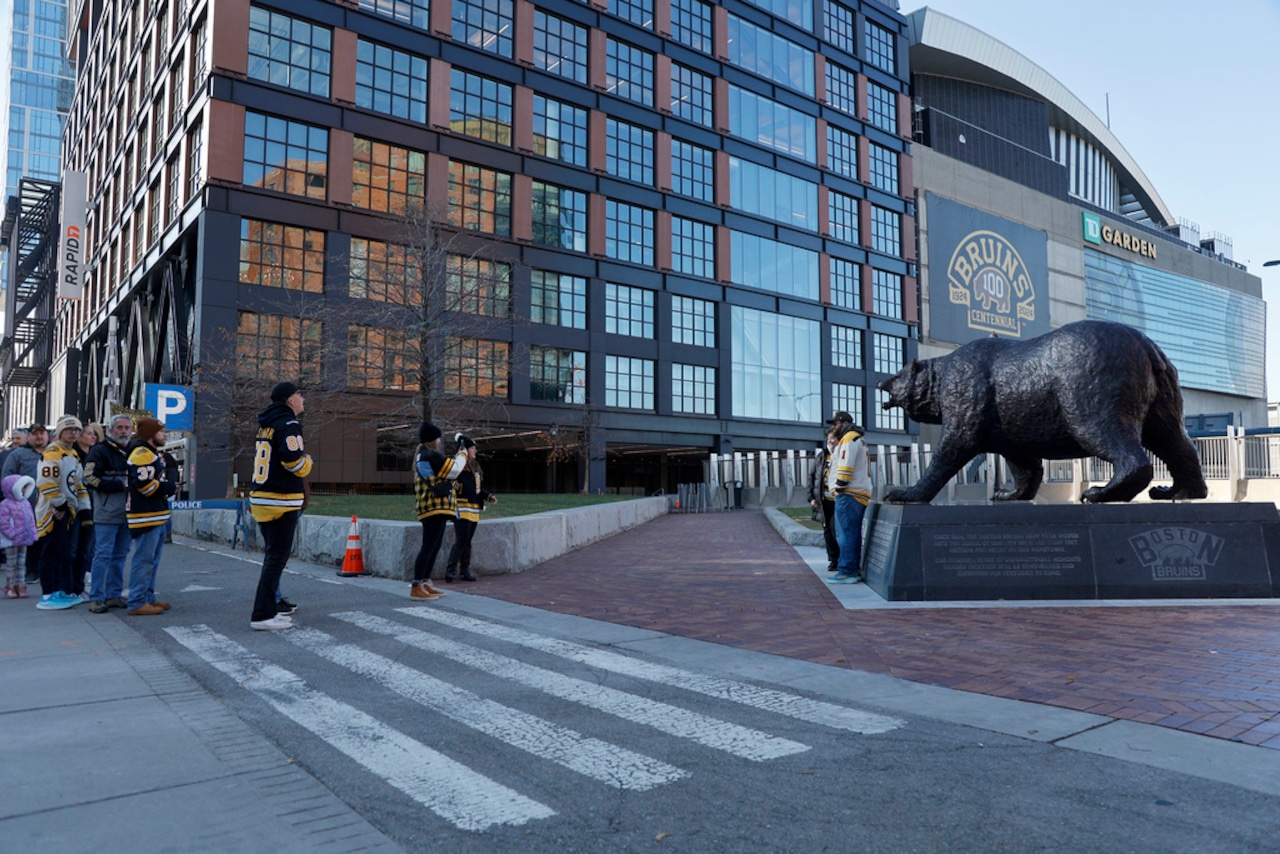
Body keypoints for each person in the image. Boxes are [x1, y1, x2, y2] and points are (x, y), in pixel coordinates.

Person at [248, 382, 312, 631]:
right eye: (299, 394)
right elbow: (294, 462)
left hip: (263, 497)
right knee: (276, 559)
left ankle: (270, 609)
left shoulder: (266, 424)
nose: (303, 398)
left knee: (272, 557)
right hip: (280, 499)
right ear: (289, 400)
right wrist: (308, 463)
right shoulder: (288, 423)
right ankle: (262, 613)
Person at [35, 415, 91, 610]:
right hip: (52, 511)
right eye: (69, 429)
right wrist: (59, 505)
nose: (73, 432)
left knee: (61, 553)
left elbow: (79, 485)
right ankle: (47, 594)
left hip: (67, 511)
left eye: (76, 429)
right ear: (59, 432)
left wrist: (84, 510)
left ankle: (59, 591)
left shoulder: (72, 454)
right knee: (50, 553)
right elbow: (45, 482)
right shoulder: (53, 452)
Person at [124, 417, 176, 615]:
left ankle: (147, 597)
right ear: (150, 434)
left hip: (154, 513)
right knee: (144, 560)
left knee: (151, 560)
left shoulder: (149, 453)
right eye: (161, 431)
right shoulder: (142, 453)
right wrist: (168, 487)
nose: (165, 434)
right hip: (146, 514)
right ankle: (137, 601)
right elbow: (144, 485)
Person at [84, 415, 134, 613]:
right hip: (106, 512)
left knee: (120, 556)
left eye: (127, 428)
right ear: (111, 431)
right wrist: (117, 485)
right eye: (119, 427)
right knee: (103, 555)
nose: (123, 431)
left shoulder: (133, 451)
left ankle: (113, 595)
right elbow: (88, 478)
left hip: (129, 512)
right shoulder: (99, 450)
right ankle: (96, 597)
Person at [410, 421, 466, 600]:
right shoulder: (430, 456)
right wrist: (463, 451)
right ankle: (417, 585)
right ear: (432, 440)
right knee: (428, 547)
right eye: (438, 438)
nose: (440, 441)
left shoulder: (423, 455)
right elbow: (455, 469)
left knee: (433, 546)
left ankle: (425, 583)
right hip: (433, 507)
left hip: (433, 507)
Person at [826, 411, 872, 584]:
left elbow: (845, 464)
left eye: (836, 424)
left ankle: (847, 571)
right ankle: (851, 569)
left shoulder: (849, 438)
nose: (833, 427)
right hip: (856, 492)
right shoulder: (857, 438)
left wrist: (840, 486)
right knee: (851, 532)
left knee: (846, 534)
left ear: (843, 423)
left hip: (850, 493)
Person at [444, 434, 496, 583]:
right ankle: (450, 570)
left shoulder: (475, 467)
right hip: (461, 507)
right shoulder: (457, 466)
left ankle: (465, 569)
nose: (475, 451)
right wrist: (456, 487)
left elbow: (478, 488)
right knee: (461, 540)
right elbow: (450, 481)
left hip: (473, 509)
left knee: (468, 541)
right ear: (465, 450)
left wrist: (488, 496)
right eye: (473, 448)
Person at [3, 423, 48, 584]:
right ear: (29, 437)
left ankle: (47, 572)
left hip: (50, 505)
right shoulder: (18, 454)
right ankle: (32, 571)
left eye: (41, 433)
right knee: (30, 540)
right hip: (26, 506)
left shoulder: (53, 452)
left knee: (48, 540)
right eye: (35, 434)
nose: (39, 437)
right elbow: (7, 477)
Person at [70, 423, 102, 598]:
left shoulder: (96, 454)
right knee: (74, 547)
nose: (93, 437)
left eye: (94, 434)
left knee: (89, 546)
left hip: (93, 505)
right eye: (89, 433)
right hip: (76, 506)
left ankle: (82, 580)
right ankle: (72, 584)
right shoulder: (73, 455)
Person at [807, 430, 840, 573]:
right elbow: (812, 477)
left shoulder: (843, 456)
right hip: (823, 501)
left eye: (833, 438)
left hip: (838, 501)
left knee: (835, 530)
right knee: (827, 531)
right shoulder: (822, 457)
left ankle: (841, 559)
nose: (831, 441)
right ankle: (833, 560)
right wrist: (811, 498)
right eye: (829, 439)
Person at [0, 474, 38, 599]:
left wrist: (32, 533)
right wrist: (12, 534)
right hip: (11, 540)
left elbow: (31, 519)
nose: (24, 490)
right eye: (22, 487)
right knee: (12, 564)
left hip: (24, 538)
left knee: (21, 563)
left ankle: (20, 586)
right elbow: (3, 522)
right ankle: (11, 586)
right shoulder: (5, 504)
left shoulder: (25, 502)